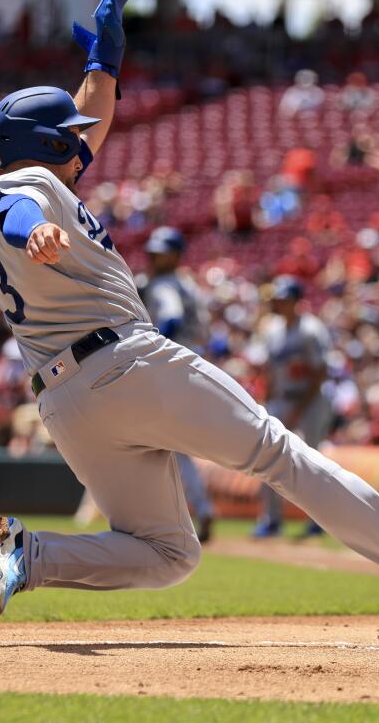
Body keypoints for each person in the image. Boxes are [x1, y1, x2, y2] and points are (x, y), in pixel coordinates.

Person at [0, 0, 379, 618]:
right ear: (47, 145)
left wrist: (102, 64)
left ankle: (32, 557)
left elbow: (81, 128)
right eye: (67, 136)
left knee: (169, 553)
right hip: (124, 366)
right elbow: (20, 210)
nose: (82, 143)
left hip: (66, 403)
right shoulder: (19, 193)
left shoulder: (33, 176)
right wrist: (38, 233)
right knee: (282, 455)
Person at [139, 225, 215, 542]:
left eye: (162, 253)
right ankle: (197, 509)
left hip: (171, 365)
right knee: (169, 446)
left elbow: (171, 318)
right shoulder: (187, 284)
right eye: (153, 253)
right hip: (190, 365)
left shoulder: (165, 285)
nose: (155, 259)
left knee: (149, 442)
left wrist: (155, 352)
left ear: (175, 255)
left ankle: (156, 519)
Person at [253, 276, 333, 539]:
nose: (280, 303)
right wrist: (269, 400)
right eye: (278, 299)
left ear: (297, 301)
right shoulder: (273, 329)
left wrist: (301, 406)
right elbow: (270, 370)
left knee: (312, 460)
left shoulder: (312, 329)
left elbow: (321, 372)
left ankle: (318, 520)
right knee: (269, 455)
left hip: (310, 398)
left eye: (285, 299)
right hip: (283, 397)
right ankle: (272, 519)